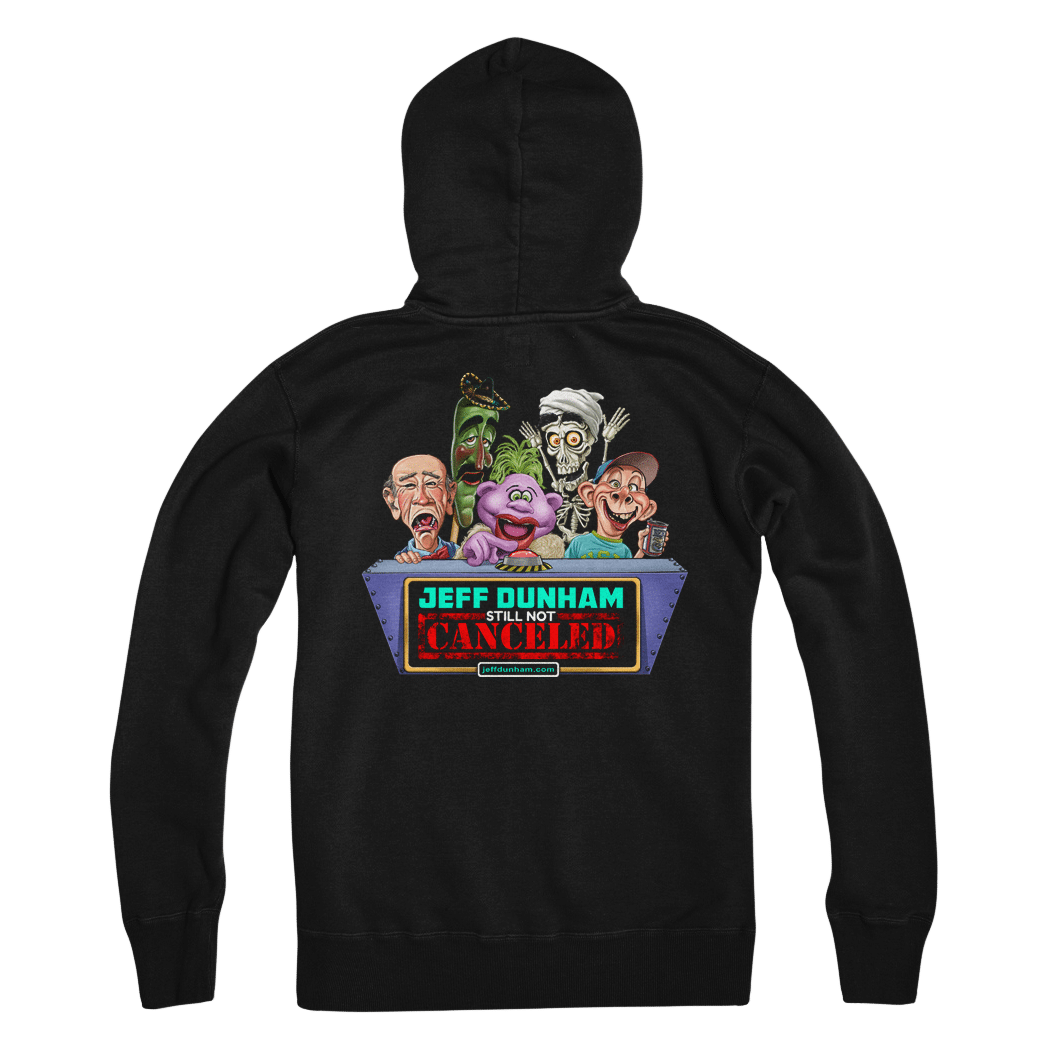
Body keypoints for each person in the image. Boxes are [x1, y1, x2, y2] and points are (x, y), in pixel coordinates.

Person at [564, 452, 668, 559]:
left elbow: (630, 570)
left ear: (647, 510)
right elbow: (564, 569)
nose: (625, 492)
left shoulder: (624, 551)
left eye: (634, 487)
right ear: (589, 494)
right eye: (614, 483)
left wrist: (642, 550)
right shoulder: (578, 543)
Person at [382, 454, 459, 561]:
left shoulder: (463, 553)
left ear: (449, 496)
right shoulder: (398, 562)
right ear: (392, 501)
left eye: (431, 483)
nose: (423, 500)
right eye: (409, 485)